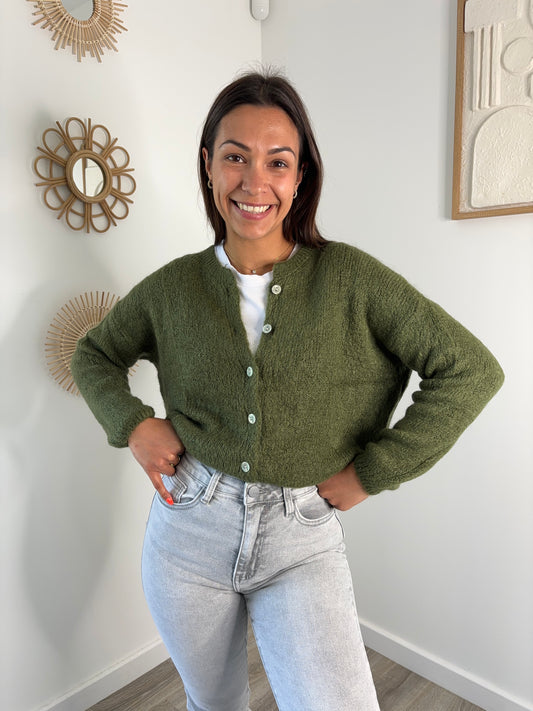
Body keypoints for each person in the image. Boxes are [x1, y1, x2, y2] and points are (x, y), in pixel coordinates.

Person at [70, 69, 504, 711]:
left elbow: (470, 370)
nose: (255, 182)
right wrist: (133, 423)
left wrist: (373, 471)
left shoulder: (350, 278)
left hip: (301, 538)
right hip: (188, 531)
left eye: (277, 162)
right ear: (208, 166)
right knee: (213, 703)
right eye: (235, 157)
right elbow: (94, 354)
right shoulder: (172, 288)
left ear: (300, 177)